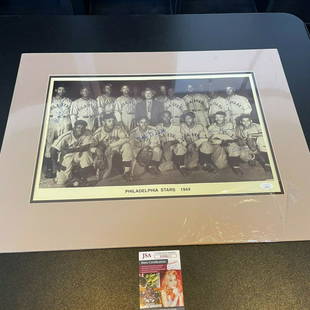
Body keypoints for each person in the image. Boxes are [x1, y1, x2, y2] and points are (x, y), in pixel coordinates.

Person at [50, 120, 95, 186]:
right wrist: (55, 164)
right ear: (74, 128)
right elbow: (53, 149)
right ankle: (70, 176)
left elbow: (87, 147)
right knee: (61, 182)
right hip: (66, 156)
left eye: (82, 128)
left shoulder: (87, 133)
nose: (80, 130)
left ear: (85, 128)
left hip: (78, 154)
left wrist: (69, 150)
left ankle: (82, 177)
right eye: (78, 127)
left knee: (86, 154)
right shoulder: (66, 136)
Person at [93, 113, 133, 180]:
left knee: (127, 146)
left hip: (116, 148)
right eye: (109, 121)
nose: (112, 123)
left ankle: (127, 172)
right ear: (103, 122)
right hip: (106, 153)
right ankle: (102, 169)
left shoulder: (117, 128)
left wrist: (111, 146)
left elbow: (126, 138)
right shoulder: (99, 132)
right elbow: (91, 145)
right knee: (104, 177)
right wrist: (96, 150)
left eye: (112, 121)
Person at [44, 85, 72, 178]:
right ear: (56, 90)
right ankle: (49, 169)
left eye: (63, 89)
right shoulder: (50, 99)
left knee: (63, 144)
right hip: (53, 121)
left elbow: (72, 113)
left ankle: (61, 168)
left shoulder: (68, 100)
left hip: (64, 121)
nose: (61, 91)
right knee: (49, 144)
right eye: (60, 89)